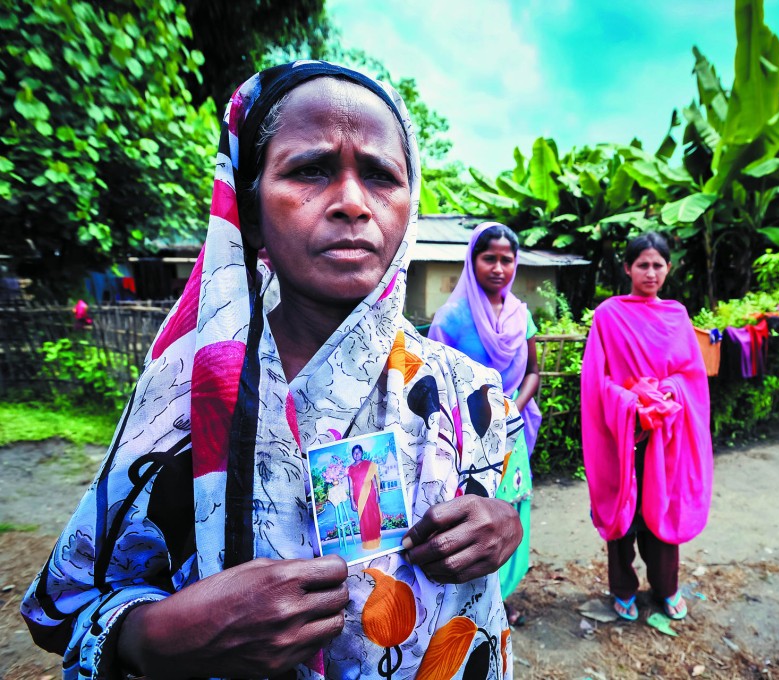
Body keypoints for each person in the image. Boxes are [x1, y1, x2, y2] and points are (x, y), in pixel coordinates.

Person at [21, 61, 523, 680]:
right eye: (310, 169)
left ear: (408, 206)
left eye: (380, 176)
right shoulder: (186, 395)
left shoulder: (462, 391)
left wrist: (502, 527)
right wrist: (158, 636)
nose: (351, 203)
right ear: (250, 208)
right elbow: (64, 609)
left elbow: (494, 508)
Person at [580, 232, 713, 622]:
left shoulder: (677, 316)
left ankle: (666, 588)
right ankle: (623, 588)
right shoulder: (609, 315)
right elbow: (595, 380)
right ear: (628, 268)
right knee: (623, 515)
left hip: (667, 438)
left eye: (658, 265)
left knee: (662, 514)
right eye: (643, 264)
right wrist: (630, 403)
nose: (651, 272)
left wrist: (666, 393)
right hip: (622, 436)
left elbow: (692, 378)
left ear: (668, 268)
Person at [428, 222, 540, 626]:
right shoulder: (452, 318)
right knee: (472, 514)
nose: (498, 267)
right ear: (472, 261)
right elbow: (435, 379)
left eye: (506, 259)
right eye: (488, 257)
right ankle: (469, 597)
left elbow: (533, 372)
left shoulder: (521, 317)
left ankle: (501, 595)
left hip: (511, 433)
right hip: (468, 439)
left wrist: (511, 407)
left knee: (511, 513)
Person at [347, 443, 382, 550]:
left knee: (374, 516)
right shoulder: (349, 469)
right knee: (364, 519)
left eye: (358, 452)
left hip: (371, 494)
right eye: (354, 453)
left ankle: (376, 540)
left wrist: (377, 494)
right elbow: (350, 487)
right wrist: (352, 501)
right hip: (359, 496)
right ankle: (367, 543)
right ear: (352, 455)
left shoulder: (368, 465)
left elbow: (374, 481)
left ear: (362, 453)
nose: (356, 454)